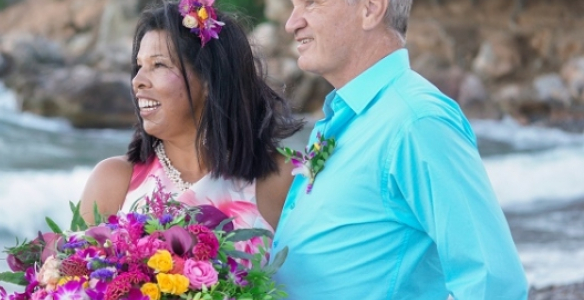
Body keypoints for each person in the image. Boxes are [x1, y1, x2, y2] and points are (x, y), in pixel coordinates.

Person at [270, 0, 528, 299]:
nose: (292, 23)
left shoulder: (417, 121)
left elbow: (494, 285)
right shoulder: (347, 118)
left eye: (311, 3)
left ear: (370, 8)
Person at [79, 0, 303, 238]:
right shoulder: (113, 181)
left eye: (158, 65)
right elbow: (71, 269)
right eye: (139, 66)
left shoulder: (280, 179)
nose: (138, 81)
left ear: (209, 80)